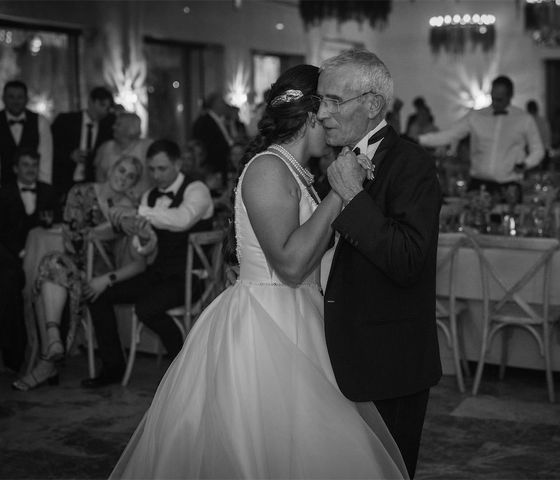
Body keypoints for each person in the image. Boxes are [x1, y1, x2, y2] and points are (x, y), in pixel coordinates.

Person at [108, 65, 407, 479]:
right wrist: (342, 193)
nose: (334, 120)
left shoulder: (299, 172)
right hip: (265, 325)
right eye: (329, 108)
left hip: (301, 314)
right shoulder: (269, 168)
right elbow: (289, 263)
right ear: (310, 116)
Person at [316, 49, 442, 478]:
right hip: (335, 353)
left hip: (390, 361)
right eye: (321, 101)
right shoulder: (330, 163)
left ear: (372, 105)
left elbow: (407, 260)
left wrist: (354, 196)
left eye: (334, 101)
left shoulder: (413, 165)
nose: (322, 113)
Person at [84, 139, 214, 388]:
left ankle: (185, 368)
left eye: (162, 168)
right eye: (152, 169)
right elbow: (146, 248)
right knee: (99, 294)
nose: (155, 175)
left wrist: (140, 212)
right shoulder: (149, 196)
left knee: (146, 308)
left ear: (177, 163)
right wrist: (143, 239)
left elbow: (182, 220)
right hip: (158, 273)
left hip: (190, 277)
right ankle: (113, 366)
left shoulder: (196, 189)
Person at [11, 155, 146, 391]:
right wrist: (102, 231)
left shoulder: (132, 209)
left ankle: (49, 356)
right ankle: (53, 342)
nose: (123, 178)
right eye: (121, 170)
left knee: (51, 271)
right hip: (75, 266)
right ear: (110, 167)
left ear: (135, 182)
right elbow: (71, 240)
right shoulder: (80, 192)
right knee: (54, 265)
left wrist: (115, 228)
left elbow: (136, 258)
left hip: (103, 279)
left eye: (130, 176)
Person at [418, 75, 544, 201]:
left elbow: (538, 150)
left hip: (509, 185)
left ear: (510, 96)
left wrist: (525, 164)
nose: (495, 103)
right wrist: (419, 140)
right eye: (493, 98)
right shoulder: (476, 116)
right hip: (478, 184)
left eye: (499, 99)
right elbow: (450, 134)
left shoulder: (524, 119)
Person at [0, 148, 58, 373]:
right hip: (9, 259)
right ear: (15, 168)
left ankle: (50, 355)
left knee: (51, 284)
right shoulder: (4, 193)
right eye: (25, 165)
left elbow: (57, 224)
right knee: (10, 285)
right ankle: (16, 355)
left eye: (34, 165)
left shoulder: (49, 191)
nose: (31, 170)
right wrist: (19, 253)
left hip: (43, 255)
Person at [51, 86, 116, 199]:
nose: (103, 111)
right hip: (63, 181)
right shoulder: (66, 121)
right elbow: (50, 147)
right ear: (90, 102)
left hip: (91, 184)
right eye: (101, 105)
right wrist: (69, 155)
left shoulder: (108, 125)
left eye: (107, 107)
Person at [0, 80, 53, 186]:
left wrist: (44, 189)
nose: (16, 101)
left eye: (20, 97)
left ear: (27, 99)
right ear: (3, 99)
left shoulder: (40, 121)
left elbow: (45, 159)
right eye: (11, 97)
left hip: (33, 187)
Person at [93, 112, 153, 199]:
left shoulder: (147, 146)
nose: (113, 127)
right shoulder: (106, 147)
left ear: (131, 128)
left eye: (118, 124)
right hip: (110, 203)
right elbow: (99, 178)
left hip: (141, 203)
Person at [192, 92, 233, 181]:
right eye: (222, 103)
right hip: (212, 169)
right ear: (215, 104)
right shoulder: (204, 121)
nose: (225, 106)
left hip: (221, 166)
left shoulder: (219, 120)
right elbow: (202, 146)